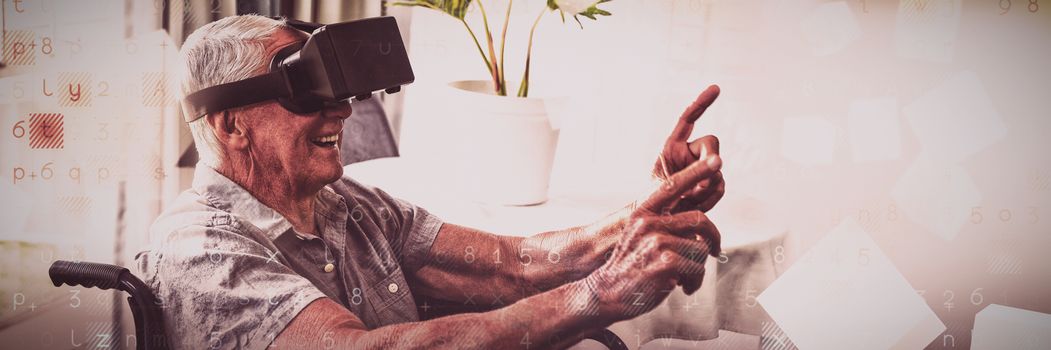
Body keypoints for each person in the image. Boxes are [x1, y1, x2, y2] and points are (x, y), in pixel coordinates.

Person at [136, 14, 726, 349]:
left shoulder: (351, 207)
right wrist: (598, 295)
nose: (342, 112)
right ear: (231, 123)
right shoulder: (203, 249)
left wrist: (644, 211)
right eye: (308, 94)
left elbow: (511, 263)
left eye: (338, 93)